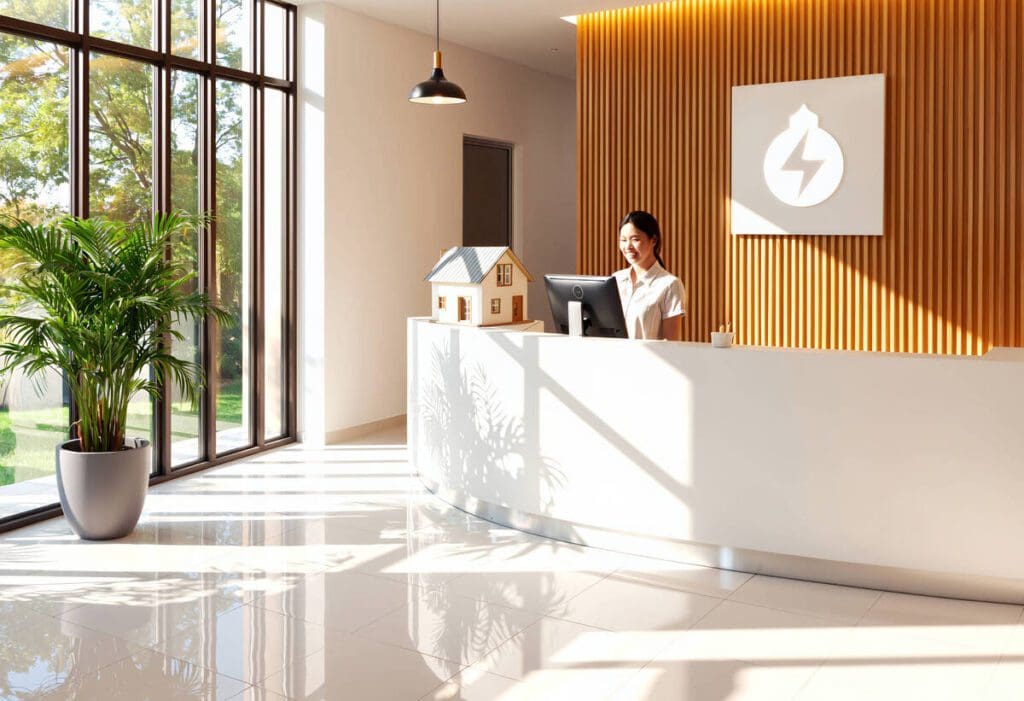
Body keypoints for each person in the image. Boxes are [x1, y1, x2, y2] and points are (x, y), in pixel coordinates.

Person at [614, 211, 686, 340]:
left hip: (649, 360)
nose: (628, 246)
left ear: (653, 240)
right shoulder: (615, 280)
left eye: (635, 239)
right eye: (623, 240)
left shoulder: (670, 285)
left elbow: (672, 344)